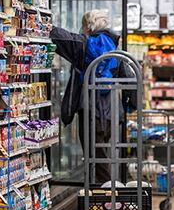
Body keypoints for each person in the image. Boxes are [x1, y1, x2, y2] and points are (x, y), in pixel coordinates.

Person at [50, 10, 124, 183]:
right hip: (112, 111)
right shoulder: (113, 46)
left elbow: (64, 38)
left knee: (95, 157)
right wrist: (129, 105)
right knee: (102, 153)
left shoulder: (87, 44)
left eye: (83, 26)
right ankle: (106, 194)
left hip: (91, 109)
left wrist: (45, 25)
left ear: (88, 27)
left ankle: (106, 198)